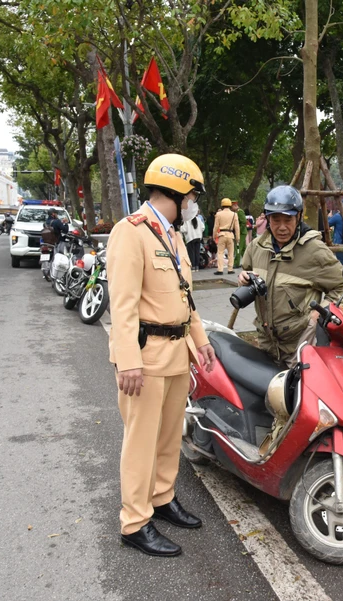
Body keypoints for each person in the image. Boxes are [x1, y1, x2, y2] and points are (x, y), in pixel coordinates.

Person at [106, 153, 217, 557]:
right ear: (176, 190)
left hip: (176, 353)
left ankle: (162, 497)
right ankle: (134, 521)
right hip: (146, 356)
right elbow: (122, 304)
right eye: (191, 196)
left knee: (170, 435)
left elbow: (186, 300)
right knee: (140, 442)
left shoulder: (170, 235)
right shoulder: (131, 232)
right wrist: (127, 360)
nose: (192, 204)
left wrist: (200, 341)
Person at [239, 186, 343, 367]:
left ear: (298, 217)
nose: (281, 227)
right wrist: (243, 277)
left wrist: (318, 314)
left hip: (299, 345)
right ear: (267, 218)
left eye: (288, 220)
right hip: (266, 343)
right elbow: (247, 270)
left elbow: (341, 285)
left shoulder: (314, 251)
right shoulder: (256, 247)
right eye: (275, 220)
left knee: (295, 393)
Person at [213, 198, 239, 275]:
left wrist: (214, 235)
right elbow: (237, 227)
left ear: (222, 205)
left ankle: (220, 269)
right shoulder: (234, 214)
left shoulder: (218, 214)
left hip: (221, 235)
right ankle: (230, 269)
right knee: (231, 253)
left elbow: (216, 226)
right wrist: (237, 238)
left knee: (220, 252)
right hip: (230, 235)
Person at [328, 198, 343, 264]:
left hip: (339, 242)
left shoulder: (337, 216)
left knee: (340, 262)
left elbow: (327, 224)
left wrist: (329, 217)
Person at [232, 199, 247, 267]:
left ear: (235, 205)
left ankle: (236, 263)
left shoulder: (239, 212)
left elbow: (243, 222)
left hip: (241, 233)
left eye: (231, 206)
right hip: (242, 232)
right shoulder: (236, 212)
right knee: (244, 249)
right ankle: (248, 262)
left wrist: (238, 231)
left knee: (238, 248)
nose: (231, 208)